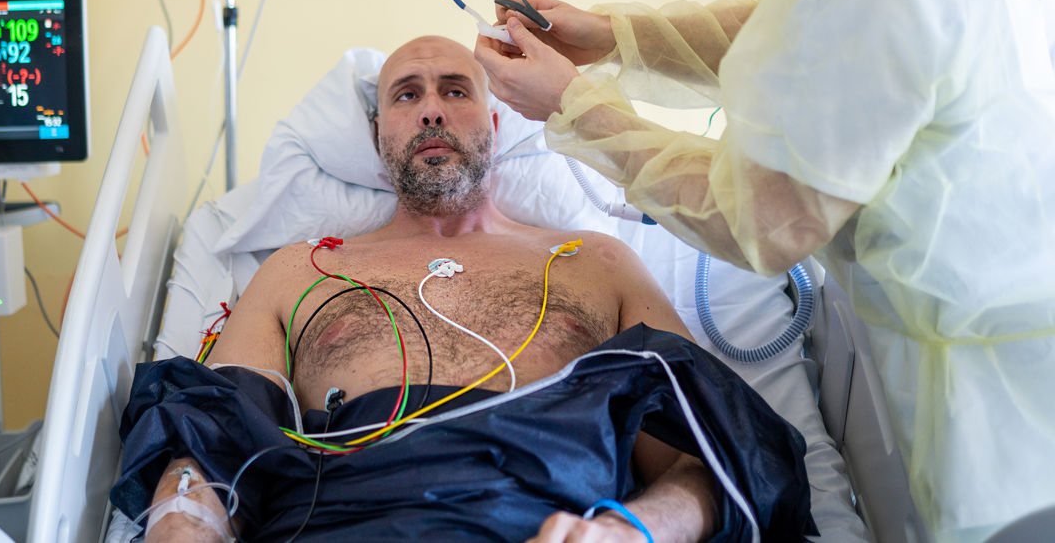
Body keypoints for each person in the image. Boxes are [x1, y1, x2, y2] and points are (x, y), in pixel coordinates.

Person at [474, 0, 1055, 543]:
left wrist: (577, 109)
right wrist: (611, 35)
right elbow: (790, 27)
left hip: (1006, 421)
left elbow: (762, 221)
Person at [110, 36, 812, 543]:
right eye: (406, 95)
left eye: (455, 90)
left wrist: (633, 530)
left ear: (495, 123)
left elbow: (710, 455)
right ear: (377, 134)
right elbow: (209, 439)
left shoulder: (596, 262)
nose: (431, 111)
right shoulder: (300, 270)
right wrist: (182, 520)